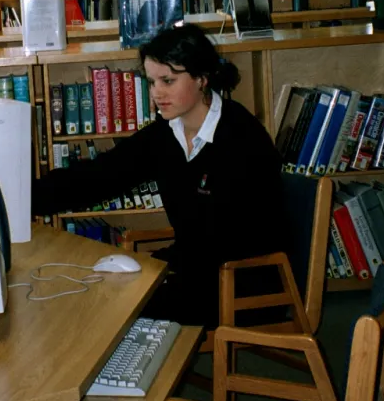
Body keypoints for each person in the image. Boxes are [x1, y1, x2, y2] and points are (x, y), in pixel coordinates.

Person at [32, 25, 284, 327]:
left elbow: (237, 238)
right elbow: (98, 177)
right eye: (152, 82)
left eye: (168, 80)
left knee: (109, 303)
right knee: (99, 291)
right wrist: (17, 201)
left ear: (202, 78)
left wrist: (158, 268)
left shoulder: (242, 136)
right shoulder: (167, 134)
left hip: (245, 282)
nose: (157, 93)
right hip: (198, 273)